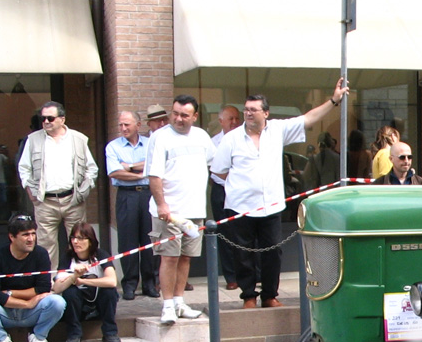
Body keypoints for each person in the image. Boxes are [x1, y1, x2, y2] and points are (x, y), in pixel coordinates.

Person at [211, 80, 347, 310]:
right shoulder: (231, 139)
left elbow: (309, 118)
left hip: (271, 206)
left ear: (266, 113)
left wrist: (334, 100)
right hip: (240, 207)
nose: (248, 114)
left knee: (273, 252)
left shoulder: (277, 130)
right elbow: (219, 171)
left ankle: (269, 295)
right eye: (246, 110)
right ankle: (248, 297)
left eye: (253, 110)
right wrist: (243, 185)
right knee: (243, 254)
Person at [147, 95, 215, 324]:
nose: (178, 118)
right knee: (169, 258)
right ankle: (166, 305)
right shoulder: (159, 138)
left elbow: (214, 165)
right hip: (169, 212)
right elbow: (154, 175)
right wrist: (161, 204)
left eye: (184, 115)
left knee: (186, 258)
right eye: (175, 113)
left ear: (194, 117)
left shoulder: (202, 137)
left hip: (195, 210)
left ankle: (179, 301)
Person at [17, 101, 99, 270]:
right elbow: (23, 168)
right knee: (46, 246)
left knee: (79, 242)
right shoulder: (33, 140)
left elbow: (92, 168)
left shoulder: (78, 139)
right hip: (45, 201)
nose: (46, 121)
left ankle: (76, 279)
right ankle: (50, 283)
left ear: (62, 119)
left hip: (72, 199)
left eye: (50, 118)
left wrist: (83, 190)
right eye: (43, 118)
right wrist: (30, 191)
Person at [0, 214, 66, 342]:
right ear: (12, 237)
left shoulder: (41, 254)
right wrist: (26, 303)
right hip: (5, 310)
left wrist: (11, 293)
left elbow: (43, 288)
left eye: (33, 234)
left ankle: (38, 336)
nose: (31, 239)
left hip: (32, 310)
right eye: (25, 235)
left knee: (57, 302)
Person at [105, 110, 157, 300]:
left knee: (150, 240)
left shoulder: (150, 144)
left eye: (127, 124)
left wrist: (130, 166)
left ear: (138, 124)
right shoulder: (113, 147)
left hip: (148, 195)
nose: (123, 128)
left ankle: (150, 283)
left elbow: (154, 164)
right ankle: (129, 284)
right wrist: (140, 173)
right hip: (126, 196)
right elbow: (115, 172)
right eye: (121, 125)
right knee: (127, 241)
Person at [51, 221, 120, 342]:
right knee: (69, 292)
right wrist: (74, 276)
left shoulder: (101, 255)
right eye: (73, 238)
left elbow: (112, 281)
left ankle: (110, 332)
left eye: (81, 238)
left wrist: (83, 281)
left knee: (109, 291)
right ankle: (74, 335)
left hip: (98, 302)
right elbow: (57, 288)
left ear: (90, 241)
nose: (76, 242)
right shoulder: (67, 257)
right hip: (78, 304)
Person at [209, 105, 243, 290]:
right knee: (225, 233)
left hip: (242, 191)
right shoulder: (213, 143)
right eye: (230, 119)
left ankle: (251, 273)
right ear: (221, 121)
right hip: (221, 191)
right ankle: (231, 277)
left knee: (244, 233)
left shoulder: (247, 139)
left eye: (237, 118)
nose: (234, 122)